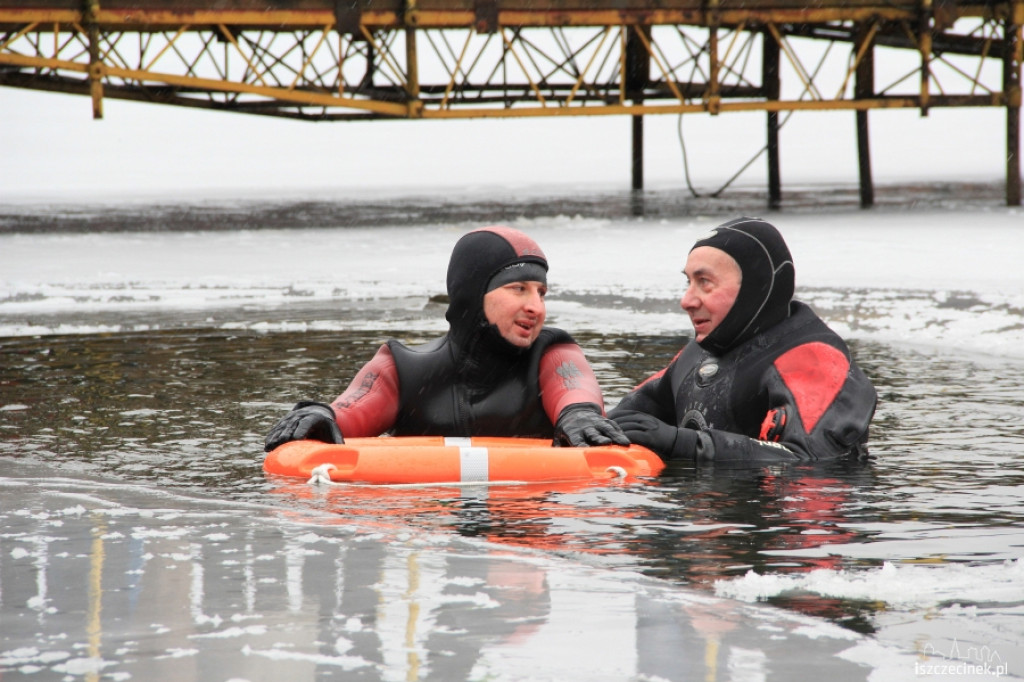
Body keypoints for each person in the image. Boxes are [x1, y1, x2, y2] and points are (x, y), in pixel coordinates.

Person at [265, 225, 628, 451]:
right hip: (433, 528)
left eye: (541, 293)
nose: (536, 307)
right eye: (519, 289)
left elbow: (576, 391)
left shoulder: (552, 351)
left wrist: (578, 415)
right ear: (473, 294)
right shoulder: (404, 367)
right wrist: (319, 414)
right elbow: (349, 411)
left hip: (525, 530)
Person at [610, 217, 877, 464]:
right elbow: (628, 418)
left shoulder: (816, 359)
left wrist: (684, 444)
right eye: (688, 282)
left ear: (755, 287)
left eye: (705, 282)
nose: (686, 301)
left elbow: (809, 462)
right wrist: (589, 421)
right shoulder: (697, 355)